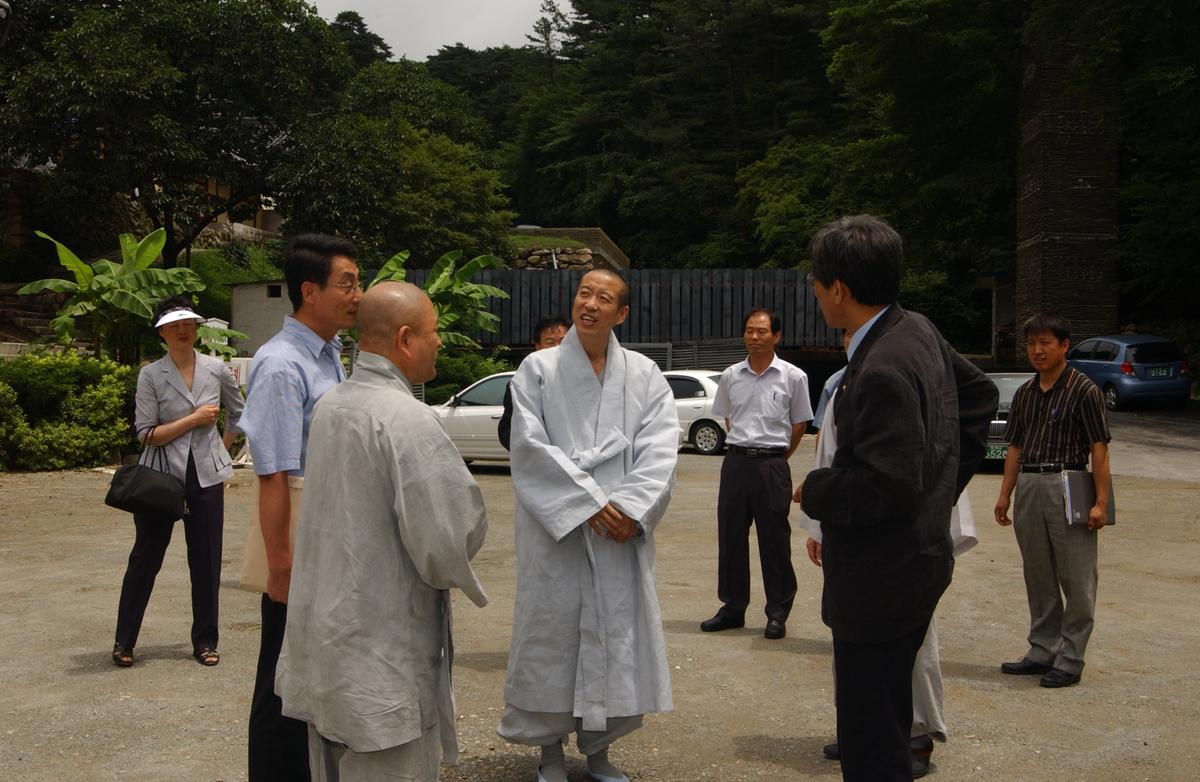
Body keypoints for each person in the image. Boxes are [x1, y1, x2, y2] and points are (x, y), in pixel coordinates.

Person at [797, 215, 996, 781]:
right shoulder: (916, 328)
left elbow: (884, 484)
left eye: (816, 279)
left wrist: (814, 490)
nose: (813, 290)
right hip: (917, 564)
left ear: (839, 288)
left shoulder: (881, 364)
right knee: (885, 721)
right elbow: (978, 395)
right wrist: (942, 489)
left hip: (880, 581)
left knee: (872, 741)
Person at [276, 282, 489, 781]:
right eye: (435, 332)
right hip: (381, 654)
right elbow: (445, 544)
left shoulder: (333, 404)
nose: (441, 342)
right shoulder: (406, 418)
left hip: (328, 641)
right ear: (406, 338)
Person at [498, 269, 679, 782]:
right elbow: (528, 447)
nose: (590, 304)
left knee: (615, 633)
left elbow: (661, 448)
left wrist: (630, 510)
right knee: (551, 634)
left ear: (621, 313)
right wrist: (586, 502)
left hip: (618, 529)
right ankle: (549, 752)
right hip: (557, 530)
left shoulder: (644, 374)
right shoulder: (537, 368)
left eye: (603, 298)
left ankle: (600, 751)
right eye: (584, 293)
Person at [238, 234, 361, 781]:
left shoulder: (329, 354)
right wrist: (281, 565)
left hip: (330, 540)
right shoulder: (282, 365)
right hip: (299, 548)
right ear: (310, 291)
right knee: (281, 682)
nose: (358, 294)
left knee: (314, 675)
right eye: (348, 283)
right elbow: (274, 474)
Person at [112, 296, 243, 668]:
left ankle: (205, 641)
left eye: (189, 324)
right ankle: (124, 641)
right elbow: (145, 433)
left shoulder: (216, 369)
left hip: (206, 476)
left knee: (206, 561)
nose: (184, 330)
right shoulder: (151, 374)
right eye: (175, 326)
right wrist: (193, 420)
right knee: (145, 557)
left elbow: (238, 413)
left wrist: (222, 448)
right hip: (161, 478)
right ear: (162, 333)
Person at [994, 312, 1111, 689]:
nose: (1037, 350)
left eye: (1045, 343)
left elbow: (1099, 449)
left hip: (1069, 482)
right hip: (1030, 481)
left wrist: (1100, 502)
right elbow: (1014, 446)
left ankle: (1072, 657)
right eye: (1031, 344)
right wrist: (1004, 494)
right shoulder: (1026, 393)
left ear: (1064, 346)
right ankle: (1042, 649)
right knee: (1038, 573)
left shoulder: (1084, 390)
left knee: (1076, 576)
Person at [699, 308, 813, 640]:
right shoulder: (731, 375)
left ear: (776, 336)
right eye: (749, 330)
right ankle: (733, 608)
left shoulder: (793, 377)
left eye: (762, 331)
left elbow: (799, 424)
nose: (754, 336)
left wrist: (776, 457)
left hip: (772, 465)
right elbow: (728, 418)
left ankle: (777, 613)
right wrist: (745, 450)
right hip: (735, 463)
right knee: (731, 536)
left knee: (774, 540)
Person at [498, 315, 570, 450]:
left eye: (563, 341)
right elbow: (506, 433)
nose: (557, 348)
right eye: (550, 342)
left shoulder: (586, 380)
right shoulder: (519, 385)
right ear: (537, 346)